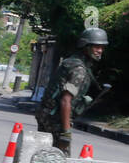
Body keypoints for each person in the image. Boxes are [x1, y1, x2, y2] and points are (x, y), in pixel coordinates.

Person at [36, 27, 108, 156]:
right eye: (96, 47)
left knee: (43, 157)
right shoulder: (79, 69)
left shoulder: (72, 62)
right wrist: (66, 131)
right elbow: (66, 100)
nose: (100, 51)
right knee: (61, 159)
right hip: (56, 120)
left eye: (102, 47)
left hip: (46, 115)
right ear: (85, 46)